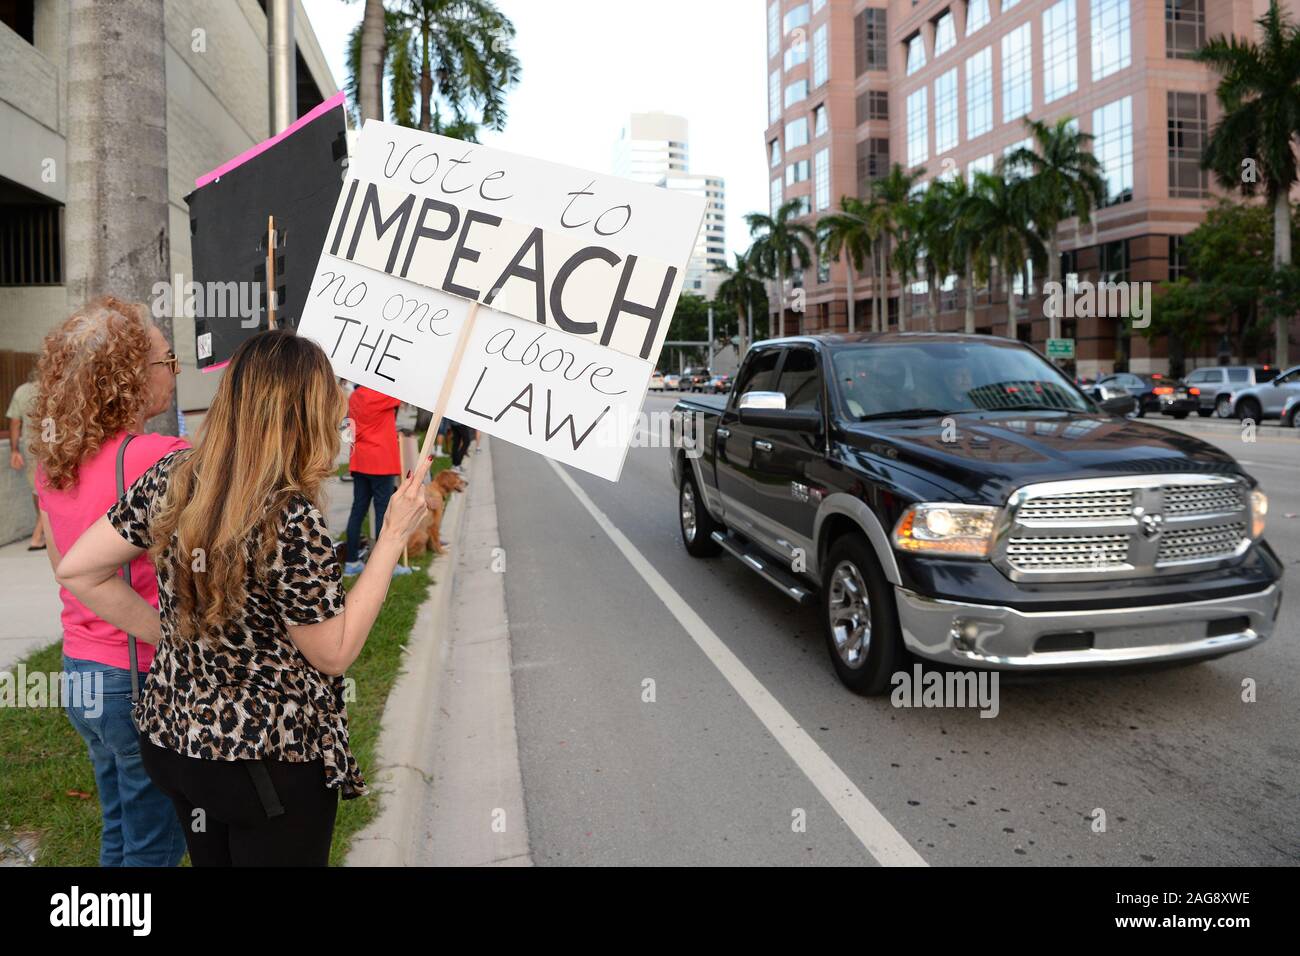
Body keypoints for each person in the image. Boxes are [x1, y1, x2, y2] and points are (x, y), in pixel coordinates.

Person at [56, 331, 433, 867]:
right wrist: (391, 537)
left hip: (174, 740)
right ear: (306, 412)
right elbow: (335, 650)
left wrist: (172, 636)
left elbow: (79, 569)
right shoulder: (290, 517)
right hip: (263, 761)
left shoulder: (171, 475)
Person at [30, 295, 187, 866]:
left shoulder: (56, 462)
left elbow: (62, 569)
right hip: (137, 675)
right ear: (129, 377)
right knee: (154, 845)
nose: (171, 374)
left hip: (81, 671)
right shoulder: (162, 458)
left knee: (119, 828)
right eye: (166, 361)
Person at [344, 385, 408, 576]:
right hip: (381, 460)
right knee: (383, 513)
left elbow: (348, 425)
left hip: (360, 459)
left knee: (358, 511)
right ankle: (384, 566)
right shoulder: (384, 393)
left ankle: (351, 561)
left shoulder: (355, 395)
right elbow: (405, 395)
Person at [7, 373, 45, 550]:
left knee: (36, 490)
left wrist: (14, 450)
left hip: (30, 449)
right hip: (50, 449)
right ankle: (37, 536)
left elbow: (15, 424)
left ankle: (41, 532)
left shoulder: (21, 392)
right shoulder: (51, 391)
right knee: (47, 491)